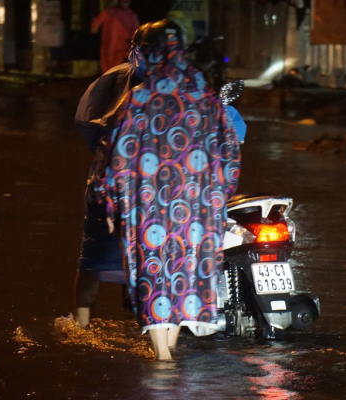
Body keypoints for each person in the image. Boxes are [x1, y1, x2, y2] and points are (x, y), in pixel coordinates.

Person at [100, 20, 241, 360]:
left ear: (148, 52)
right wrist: (219, 198)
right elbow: (231, 154)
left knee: (155, 272)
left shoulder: (140, 97)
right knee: (184, 274)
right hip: (199, 208)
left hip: (151, 206)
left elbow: (119, 155)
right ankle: (169, 353)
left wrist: (109, 203)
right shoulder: (206, 96)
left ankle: (163, 359)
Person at [73, 54, 142, 327]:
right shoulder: (122, 80)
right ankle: (81, 326)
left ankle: (82, 328)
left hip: (125, 182)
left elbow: (86, 123)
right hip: (131, 185)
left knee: (98, 257)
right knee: (97, 256)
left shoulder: (136, 83)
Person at [91, 0, 140, 73]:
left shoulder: (132, 15)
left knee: (119, 70)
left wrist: (132, 40)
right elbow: (97, 22)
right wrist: (95, 26)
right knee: (107, 68)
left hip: (123, 48)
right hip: (108, 47)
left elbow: (136, 31)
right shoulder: (109, 12)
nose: (125, 4)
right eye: (123, 2)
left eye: (127, 2)